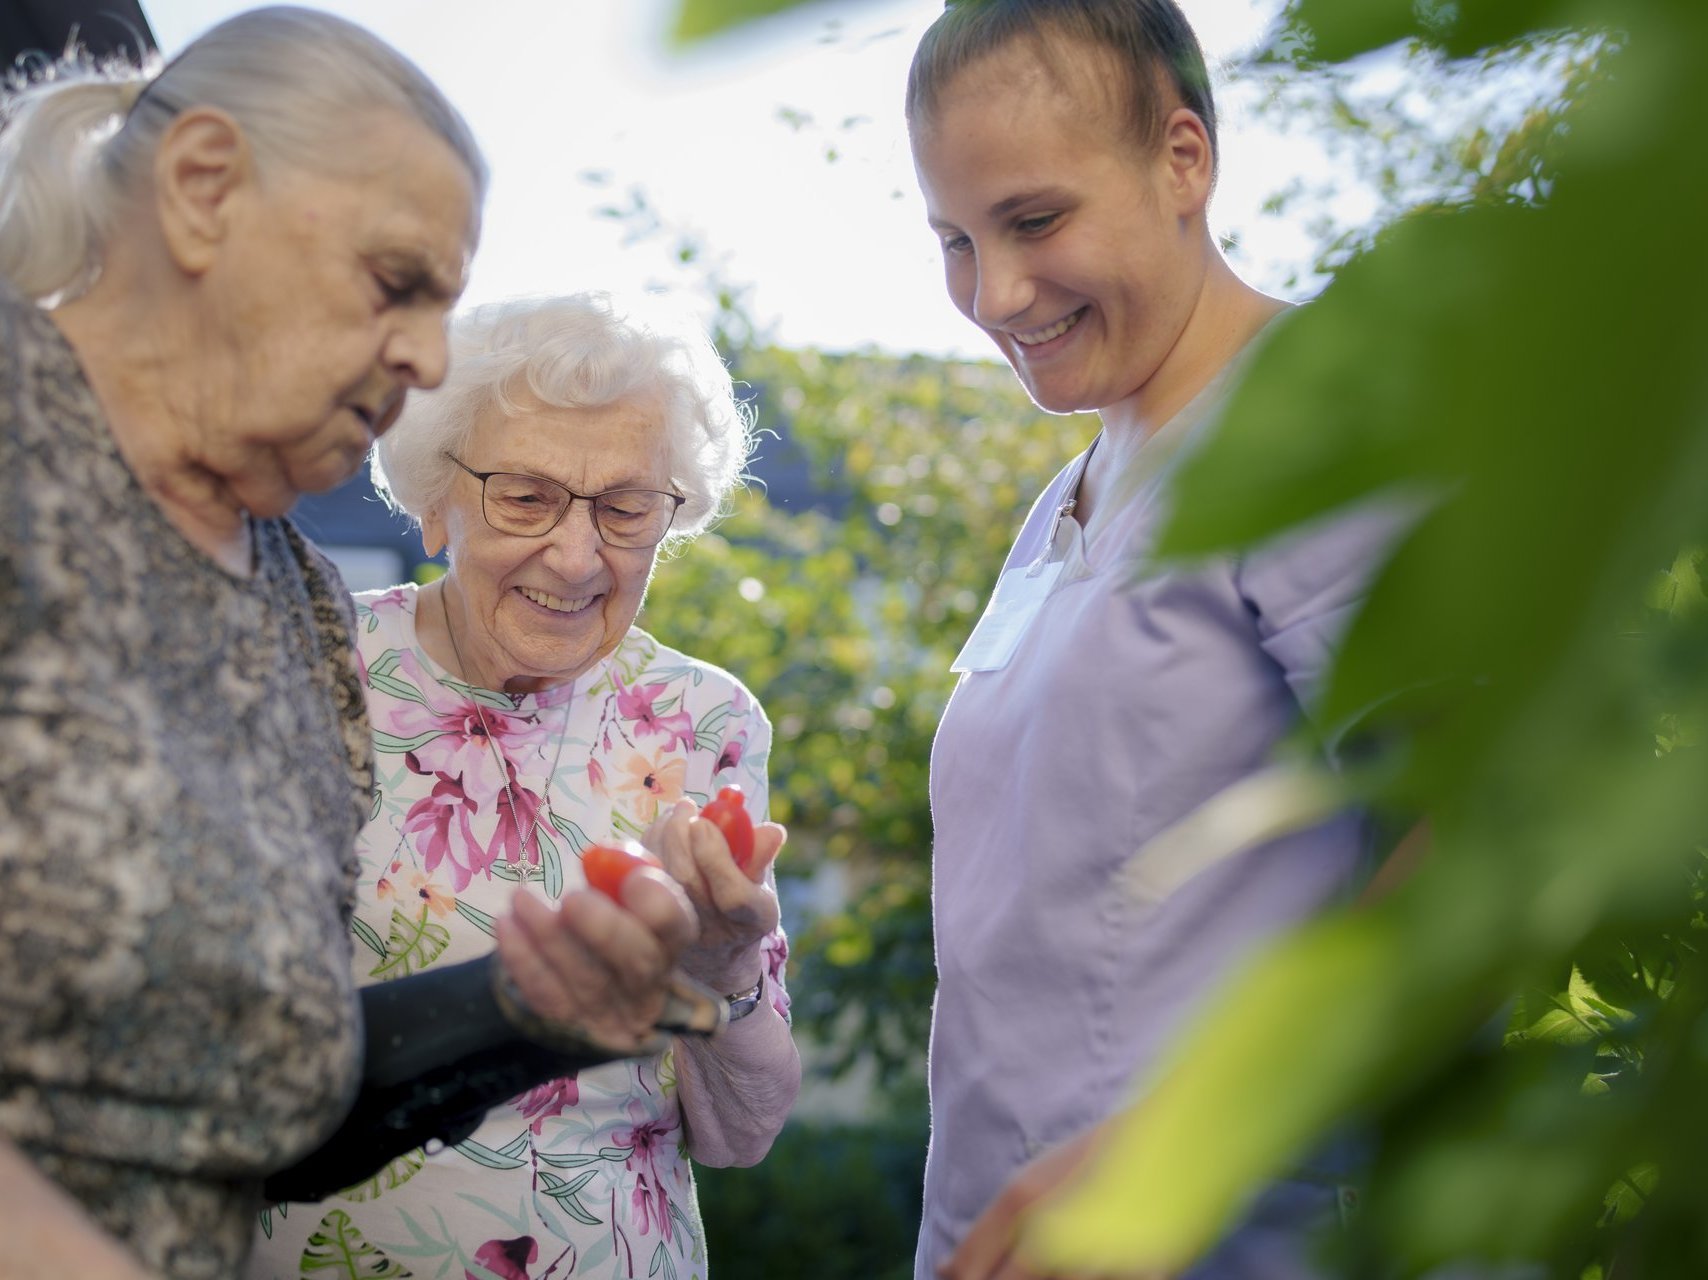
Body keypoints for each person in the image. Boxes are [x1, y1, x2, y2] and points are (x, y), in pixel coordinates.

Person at [0, 12, 706, 1278]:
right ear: (203, 189)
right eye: (396, 282)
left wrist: (519, 1015)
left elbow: (259, 1103)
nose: (428, 357)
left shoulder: (295, 596)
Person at [904, 2, 1400, 1276]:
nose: (994, 293)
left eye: (1034, 220)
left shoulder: (1316, 432)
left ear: (1184, 159)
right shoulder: (1071, 491)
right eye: (954, 239)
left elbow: (1492, 836)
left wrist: (1172, 1150)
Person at [246, 293, 800, 1280]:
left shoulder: (707, 720)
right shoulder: (303, 665)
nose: (578, 553)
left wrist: (726, 968)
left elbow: (740, 1133)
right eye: (525, 496)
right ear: (434, 500)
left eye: (626, 507)